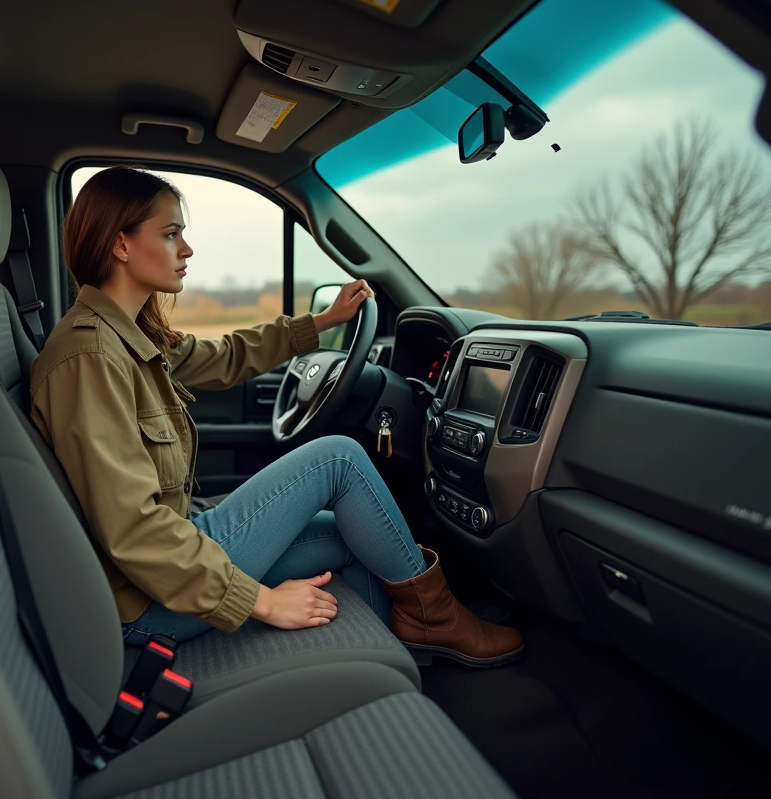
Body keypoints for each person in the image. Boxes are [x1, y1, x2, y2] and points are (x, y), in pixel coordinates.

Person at [29, 166, 522, 667]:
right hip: (143, 601)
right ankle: (436, 619)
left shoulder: (126, 338)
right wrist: (263, 602)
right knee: (340, 458)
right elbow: (133, 530)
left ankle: (406, 661)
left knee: (349, 532)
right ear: (121, 245)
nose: (187, 250)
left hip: (164, 564)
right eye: (171, 234)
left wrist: (321, 323)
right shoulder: (89, 359)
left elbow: (223, 357)